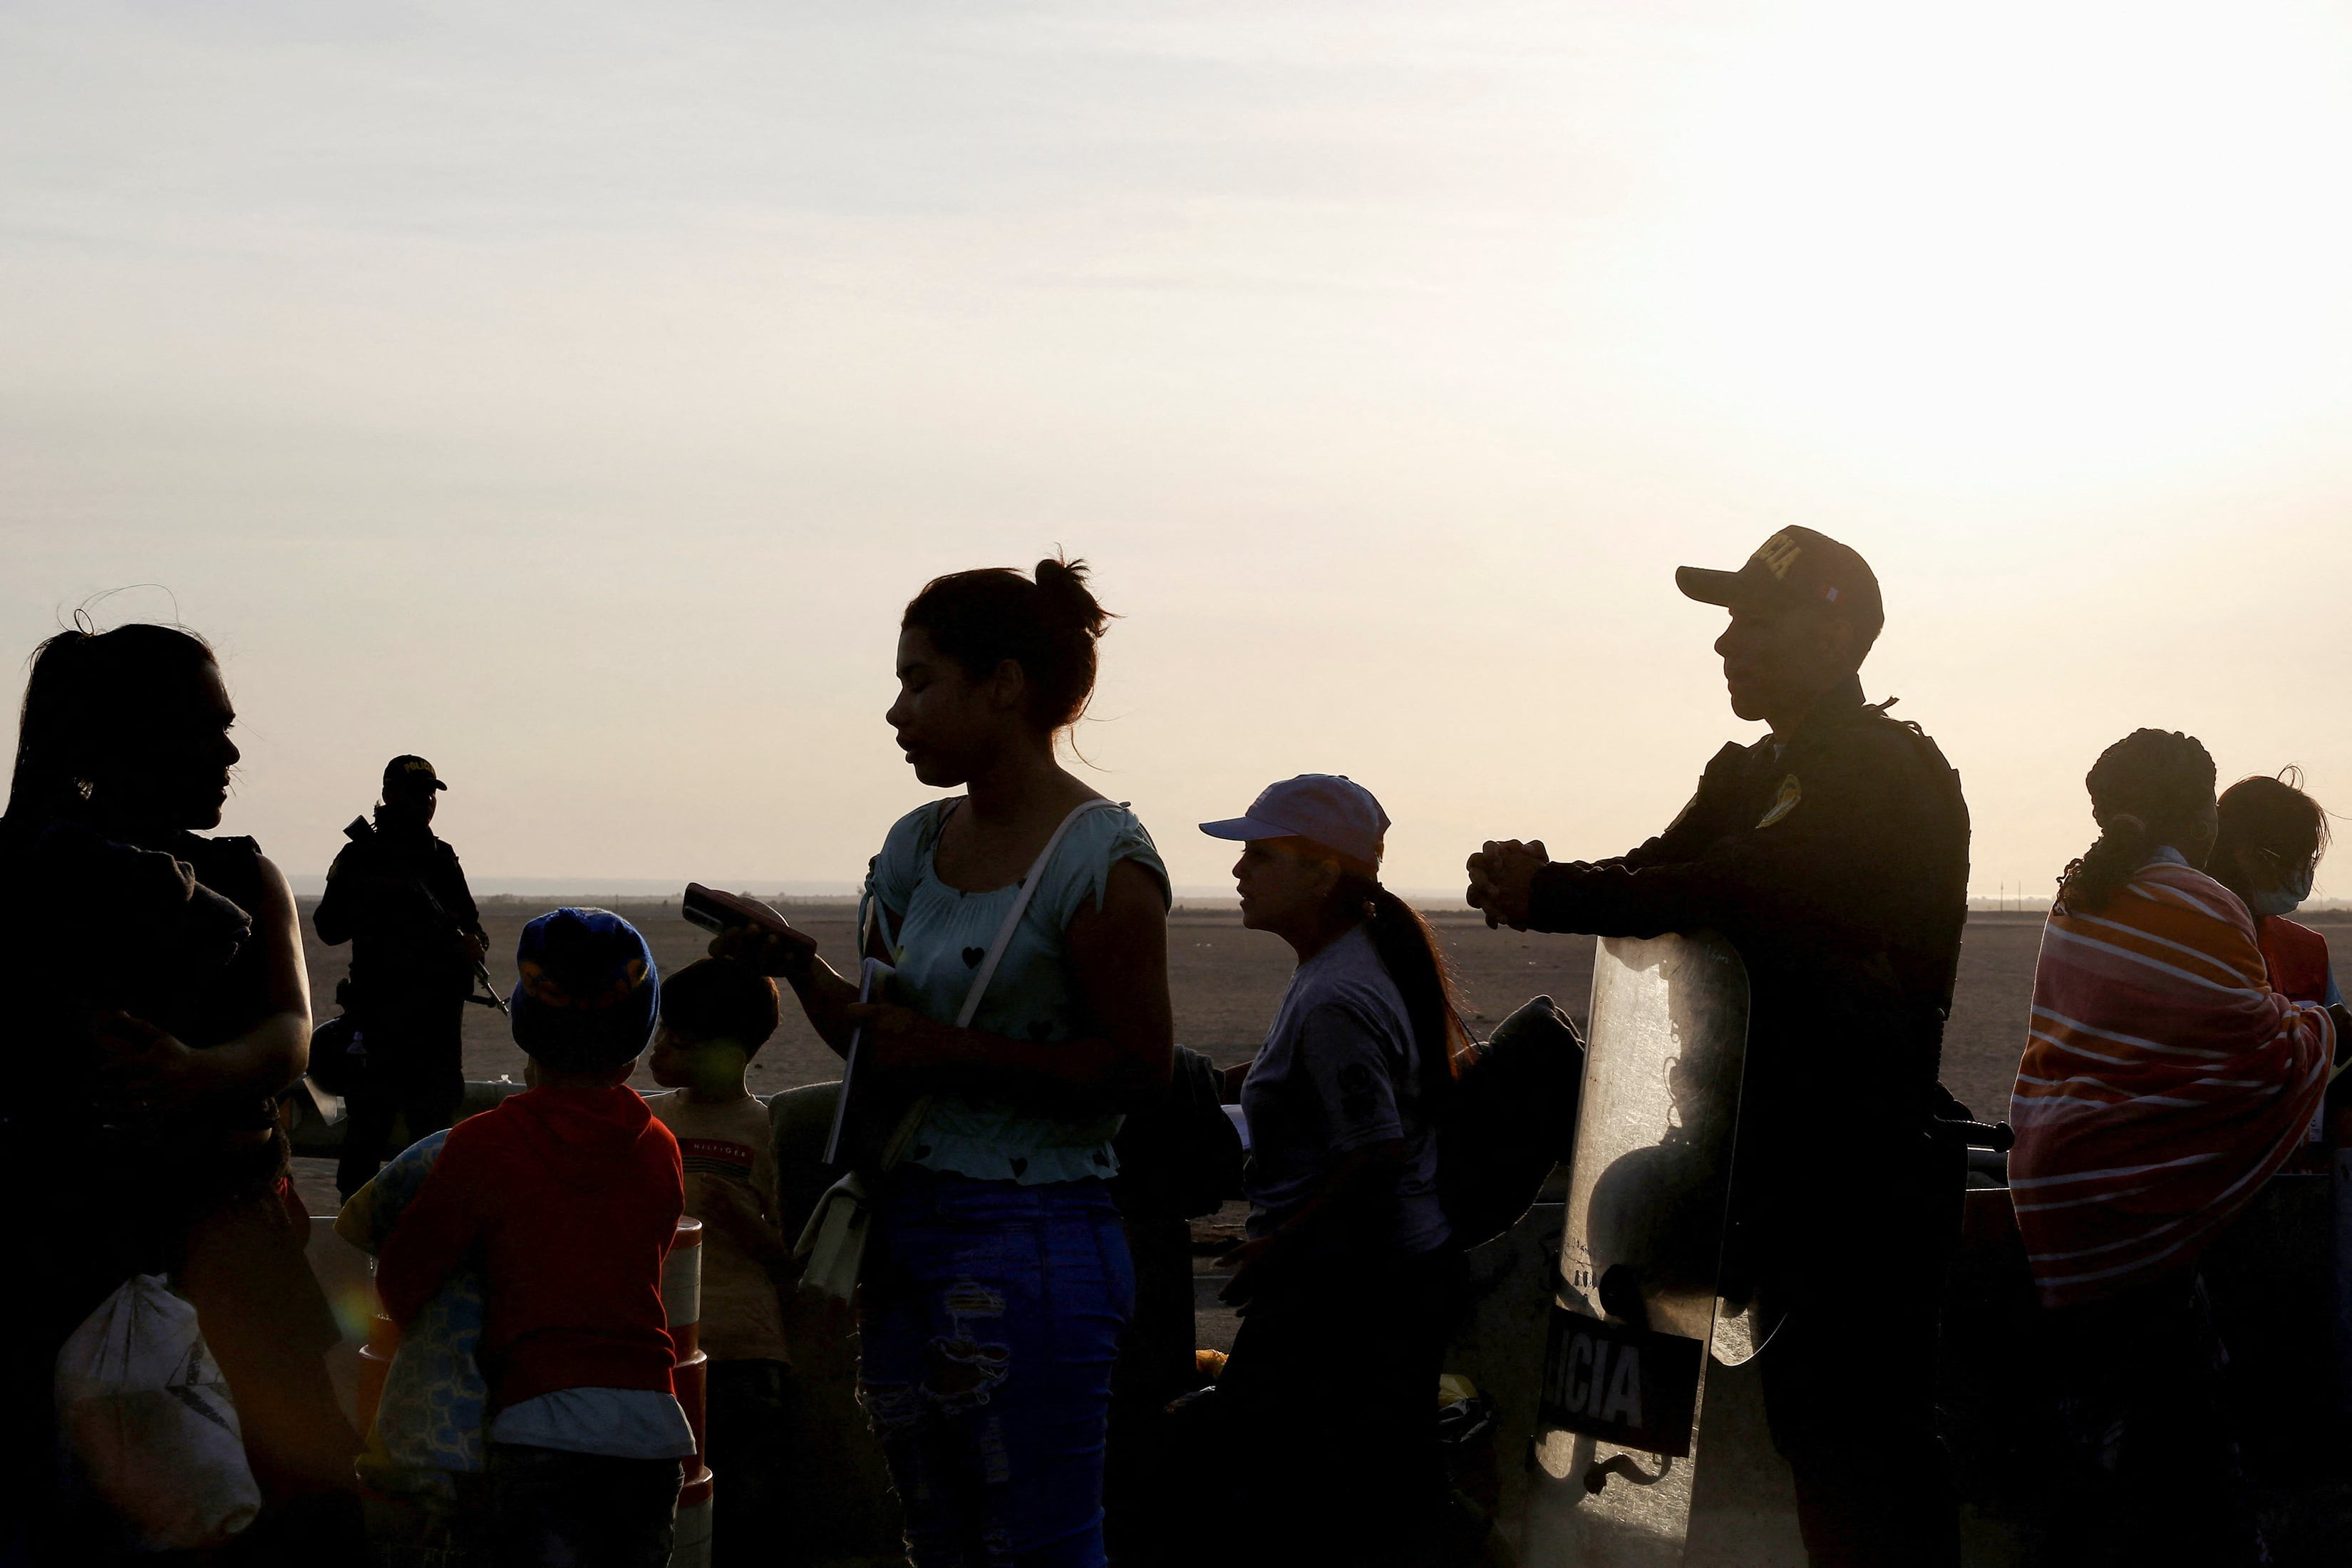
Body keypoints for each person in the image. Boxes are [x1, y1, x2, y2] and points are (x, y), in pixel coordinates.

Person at [1463, 527, 1971, 1568]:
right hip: (1736, 1166)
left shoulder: (1888, 772)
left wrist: (1555, 892)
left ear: (1836, 633)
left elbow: (1741, 883)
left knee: (1861, 1458)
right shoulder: (1748, 772)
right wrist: (1543, 876)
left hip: (1855, 1184)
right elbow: (1659, 871)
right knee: (1669, 1444)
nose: (1726, 644)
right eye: (1726, 621)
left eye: (1755, 619)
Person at [715, 555, 1172, 1568]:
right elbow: (882, 1048)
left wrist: (954, 1053)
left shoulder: (1099, 859)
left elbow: (1141, 1070)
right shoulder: (916, 845)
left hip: (1036, 1235)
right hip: (909, 1230)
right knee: (938, 1540)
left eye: (919, 681)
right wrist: (800, 967)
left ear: (1003, 685)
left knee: (1039, 1542)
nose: (895, 712)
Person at [0, 621, 361, 1565]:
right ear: (114, 746)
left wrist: (198, 1073)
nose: (231, 750)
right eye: (201, 729)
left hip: (237, 1264)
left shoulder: (245, 874)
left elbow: (291, 1034)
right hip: (73, 1265)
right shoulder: (40, 880)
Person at [2008, 731, 2346, 1567]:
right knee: (2188, 1471)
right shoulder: (2199, 903)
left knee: (2110, 1444)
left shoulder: (2080, 896)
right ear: (2201, 817)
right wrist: (2329, 1030)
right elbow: (2261, 1056)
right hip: (2135, 1218)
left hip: (2059, 1199)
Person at [1197, 773, 1468, 1567]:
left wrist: (1275, 1248)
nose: (1240, 871)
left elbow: (1375, 1155)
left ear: (1321, 872)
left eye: (1261, 854)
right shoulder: (1341, 969)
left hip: (1352, 1295)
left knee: (1302, 1505)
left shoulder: (1337, 996)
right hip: (1376, 1284)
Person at [375, 907, 693, 1568]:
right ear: (636, 1038)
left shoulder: (483, 1147)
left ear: (526, 1025)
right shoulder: (661, 1147)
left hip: (535, 1433)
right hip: (655, 1434)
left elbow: (403, 1282)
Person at [644, 958, 795, 1568]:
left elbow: (793, 1259)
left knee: (744, 1515)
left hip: (745, 1358)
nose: (661, 1054)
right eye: (661, 1035)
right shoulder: (647, 1120)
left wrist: (740, 1221)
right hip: (656, 1350)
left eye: (681, 1043)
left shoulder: (768, 1131)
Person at [315, 754, 488, 1199]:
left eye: (432, 793)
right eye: (417, 793)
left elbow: (474, 930)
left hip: (436, 1028)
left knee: (432, 1145)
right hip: (378, 1023)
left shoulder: (442, 858)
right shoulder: (360, 856)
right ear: (389, 796)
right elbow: (328, 928)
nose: (427, 802)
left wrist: (472, 945)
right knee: (365, 1141)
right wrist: (377, 899)